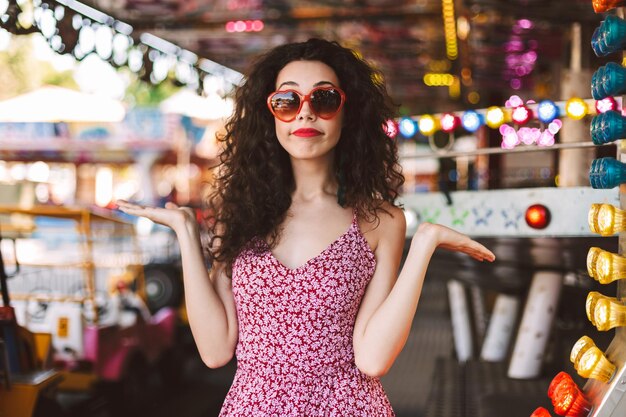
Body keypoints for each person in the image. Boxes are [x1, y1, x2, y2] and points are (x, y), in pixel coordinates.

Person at [117, 38, 495, 416]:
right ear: (270, 116)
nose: (305, 114)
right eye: (287, 101)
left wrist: (425, 244)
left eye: (324, 99)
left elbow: (373, 360)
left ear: (349, 113)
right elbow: (215, 351)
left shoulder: (380, 221)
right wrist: (185, 232)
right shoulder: (240, 216)